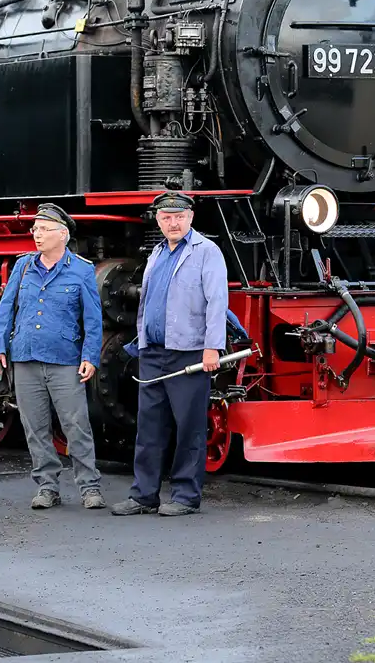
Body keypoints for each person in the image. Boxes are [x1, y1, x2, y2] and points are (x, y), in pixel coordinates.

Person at [112, 191, 228, 517]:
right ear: (158, 221)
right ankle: (143, 495)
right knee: (149, 427)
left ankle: (185, 496)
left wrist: (212, 348)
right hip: (153, 352)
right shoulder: (156, 253)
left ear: (190, 217)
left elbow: (218, 302)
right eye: (166, 218)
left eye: (178, 216)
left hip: (189, 352)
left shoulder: (207, 252)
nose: (172, 223)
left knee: (189, 427)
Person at [0, 203, 105, 510]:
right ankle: (47, 486)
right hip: (25, 357)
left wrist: (91, 356)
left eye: (43, 230)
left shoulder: (81, 270)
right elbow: (6, 310)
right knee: (35, 427)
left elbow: (93, 320)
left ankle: (89, 486)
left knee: (76, 424)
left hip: (64, 359)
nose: (37, 236)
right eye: (35, 230)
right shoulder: (23, 266)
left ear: (63, 235)